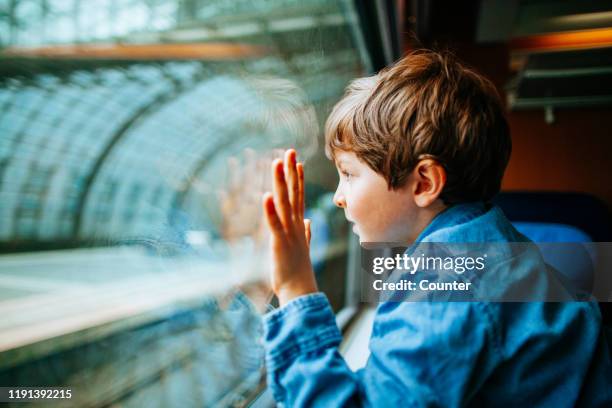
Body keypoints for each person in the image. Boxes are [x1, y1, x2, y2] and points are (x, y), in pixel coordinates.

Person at [260, 50, 611, 406]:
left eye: (349, 174)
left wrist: (295, 289)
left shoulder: (445, 285)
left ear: (424, 183)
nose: (338, 197)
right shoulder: (490, 248)